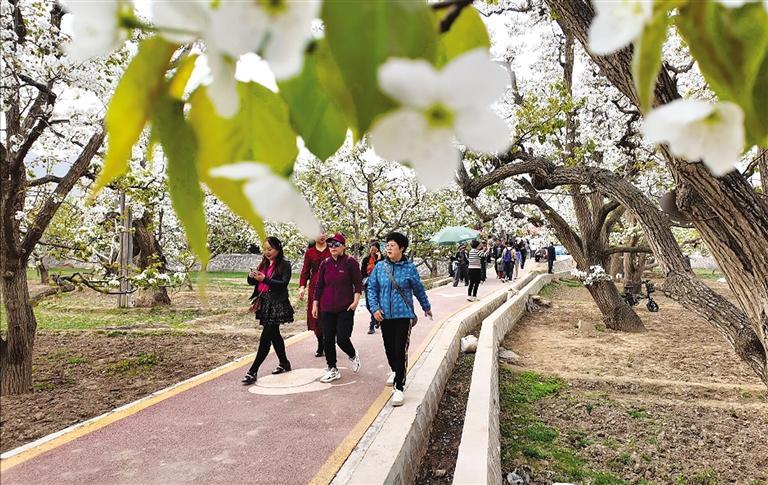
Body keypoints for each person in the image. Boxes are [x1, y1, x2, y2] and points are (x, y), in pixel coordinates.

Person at [367, 232, 432, 407]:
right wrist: (375, 308)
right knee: (389, 349)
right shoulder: (380, 267)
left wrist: (426, 307)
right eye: (387, 245)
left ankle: (399, 387)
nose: (388, 248)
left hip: (403, 315)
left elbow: (418, 289)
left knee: (400, 350)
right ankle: (395, 370)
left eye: (392, 245)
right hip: (385, 316)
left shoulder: (409, 268)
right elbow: (372, 289)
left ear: (401, 248)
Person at [242, 236, 294, 385]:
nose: (267, 252)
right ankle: (284, 363)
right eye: (265, 249)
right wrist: (252, 276)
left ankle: (253, 371)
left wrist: (264, 279)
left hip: (277, 304)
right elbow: (253, 282)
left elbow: (283, 283)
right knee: (274, 335)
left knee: (266, 337)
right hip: (264, 303)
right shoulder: (264, 263)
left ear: (278, 249)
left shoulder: (284, 264)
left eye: (270, 249)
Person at [312, 232, 363, 383]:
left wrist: (355, 302)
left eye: (336, 244)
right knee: (327, 339)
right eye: (330, 244)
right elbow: (319, 285)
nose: (332, 247)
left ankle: (353, 354)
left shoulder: (350, 262)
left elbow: (358, 284)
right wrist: (315, 304)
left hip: (345, 307)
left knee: (342, 338)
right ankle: (332, 368)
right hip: (327, 307)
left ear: (343, 247)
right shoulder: (325, 263)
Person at [299, 232, 331, 358]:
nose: (322, 236)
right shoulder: (310, 252)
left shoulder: (332, 249)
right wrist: (302, 287)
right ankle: (320, 343)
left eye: (323, 233)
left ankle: (329, 341)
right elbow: (305, 271)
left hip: (330, 285)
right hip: (314, 286)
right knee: (316, 315)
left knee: (328, 314)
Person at [361, 241, 383, 334]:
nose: (372, 251)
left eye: (374, 249)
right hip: (368, 284)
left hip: (379, 284)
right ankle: (377, 318)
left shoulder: (382, 259)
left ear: (378, 250)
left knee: (375, 303)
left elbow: (381, 270)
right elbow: (362, 272)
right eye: (371, 248)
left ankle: (371, 326)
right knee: (368, 305)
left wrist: (378, 259)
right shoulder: (366, 259)